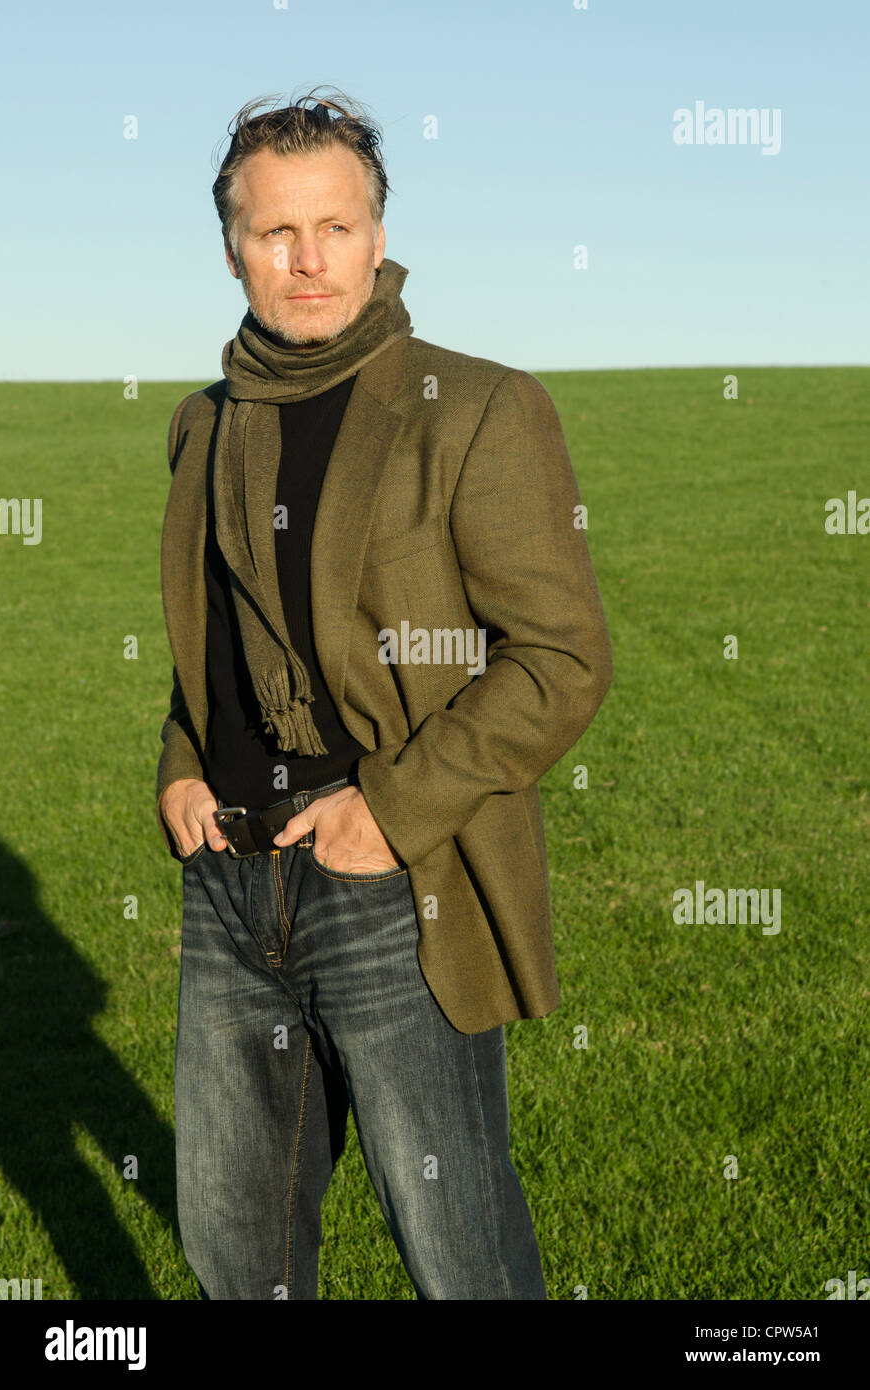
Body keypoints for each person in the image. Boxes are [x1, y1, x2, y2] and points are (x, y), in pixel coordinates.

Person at [156, 86, 613, 1301]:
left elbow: (559, 657)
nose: (307, 259)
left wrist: (388, 811)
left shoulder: (476, 407)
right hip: (228, 886)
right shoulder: (201, 426)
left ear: (376, 235)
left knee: (461, 1256)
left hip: (392, 885)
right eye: (275, 232)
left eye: (335, 227)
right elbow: (211, 639)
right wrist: (181, 763)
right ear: (232, 248)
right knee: (235, 1254)